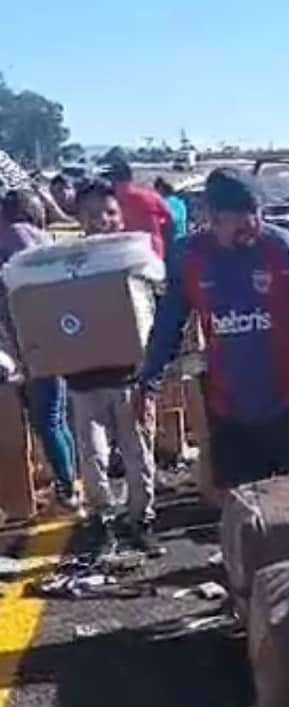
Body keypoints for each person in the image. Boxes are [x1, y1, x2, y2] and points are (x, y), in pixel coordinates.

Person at [140, 168, 289, 490]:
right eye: (240, 223)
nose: (252, 227)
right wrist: (148, 381)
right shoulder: (189, 257)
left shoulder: (283, 249)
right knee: (243, 510)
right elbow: (169, 323)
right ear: (212, 219)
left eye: (256, 216)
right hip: (229, 411)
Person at [71, 180, 158, 553]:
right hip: (82, 381)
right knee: (92, 459)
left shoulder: (134, 259)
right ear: (79, 220)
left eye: (109, 213)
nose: (102, 221)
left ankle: (140, 519)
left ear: (120, 216)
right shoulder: (68, 264)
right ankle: (103, 520)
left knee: (138, 455)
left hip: (128, 378)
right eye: (92, 215)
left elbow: (157, 306)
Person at [0, 189, 81, 512]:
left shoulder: (10, 239)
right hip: (52, 339)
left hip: (22, 344)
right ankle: (68, 482)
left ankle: (65, 487)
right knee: (55, 418)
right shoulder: (45, 242)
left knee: (44, 419)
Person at [106, 158, 172, 259]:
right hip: (154, 251)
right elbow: (169, 218)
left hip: (126, 254)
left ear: (112, 179)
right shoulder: (150, 195)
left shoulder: (111, 200)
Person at [154, 177, 189, 242]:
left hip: (172, 239)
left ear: (161, 189)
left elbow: (170, 219)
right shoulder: (179, 202)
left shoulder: (167, 202)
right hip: (180, 237)